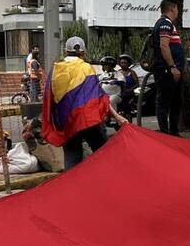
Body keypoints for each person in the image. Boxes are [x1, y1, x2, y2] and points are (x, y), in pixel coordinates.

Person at [42, 37, 128, 170]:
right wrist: (117, 117)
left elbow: (49, 98)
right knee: (104, 152)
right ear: (83, 52)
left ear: (65, 52)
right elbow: (99, 97)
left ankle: (71, 187)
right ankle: (109, 181)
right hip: (87, 119)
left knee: (72, 157)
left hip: (67, 121)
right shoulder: (86, 68)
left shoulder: (55, 70)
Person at [151, 0, 186, 136]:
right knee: (164, 102)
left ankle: (174, 132)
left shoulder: (168, 24)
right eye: (177, 8)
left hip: (173, 71)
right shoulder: (165, 23)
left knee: (176, 102)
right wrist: (172, 67)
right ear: (173, 8)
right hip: (167, 71)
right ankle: (165, 134)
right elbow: (164, 46)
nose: (178, 11)